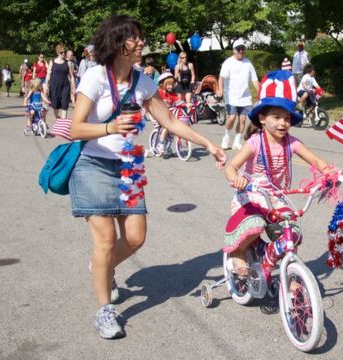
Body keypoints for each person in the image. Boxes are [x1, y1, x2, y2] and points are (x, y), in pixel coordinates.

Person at [69, 15, 226, 339]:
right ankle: (105, 310)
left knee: (136, 237)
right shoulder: (96, 78)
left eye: (141, 37)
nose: (141, 43)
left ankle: (102, 266)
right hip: (93, 165)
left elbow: (169, 121)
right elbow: (75, 128)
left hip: (128, 166)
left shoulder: (143, 81)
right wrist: (110, 127)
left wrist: (208, 143)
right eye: (134, 38)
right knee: (105, 240)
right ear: (117, 42)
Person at [222, 70, 335, 280]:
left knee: (291, 231)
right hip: (251, 195)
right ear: (263, 119)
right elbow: (231, 166)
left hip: (274, 196)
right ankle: (238, 252)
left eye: (287, 118)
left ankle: (291, 277)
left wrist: (330, 173)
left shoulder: (292, 143)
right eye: (277, 117)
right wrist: (236, 179)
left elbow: (317, 161)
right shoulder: (254, 142)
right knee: (255, 227)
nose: (283, 123)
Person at [217, 38, 259, 150]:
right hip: (231, 96)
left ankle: (237, 141)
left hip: (245, 97)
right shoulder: (228, 62)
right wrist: (220, 89)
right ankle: (226, 137)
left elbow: (254, 80)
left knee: (243, 119)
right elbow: (221, 78)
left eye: (242, 49)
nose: (241, 51)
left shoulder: (248, 63)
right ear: (234, 50)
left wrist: (261, 92)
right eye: (238, 49)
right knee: (231, 118)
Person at [45, 43, 76, 119]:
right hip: (54, 86)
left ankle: (62, 122)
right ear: (57, 52)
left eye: (64, 52)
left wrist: (73, 87)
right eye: (61, 52)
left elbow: (71, 76)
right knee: (55, 106)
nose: (63, 54)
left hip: (65, 86)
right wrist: (46, 85)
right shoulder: (52, 61)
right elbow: (48, 74)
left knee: (64, 105)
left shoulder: (68, 63)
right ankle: (58, 120)